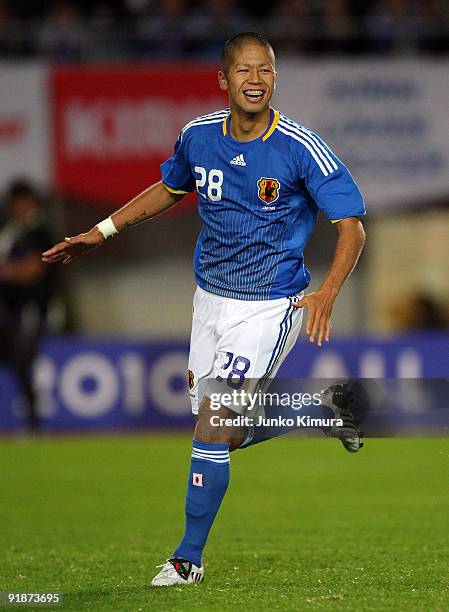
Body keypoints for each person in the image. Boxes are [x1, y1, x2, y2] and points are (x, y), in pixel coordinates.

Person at [42, 32, 366, 586]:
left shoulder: (299, 146)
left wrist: (329, 289)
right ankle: (323, 410)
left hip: (270, 305)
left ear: (275, 78)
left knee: (213, 423)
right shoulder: (197, 138)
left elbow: (352, 227)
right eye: (244, 70)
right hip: (209, 301)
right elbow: (169, 188)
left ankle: (187, 560)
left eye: (265, 69)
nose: (256, 79)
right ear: (223, 80)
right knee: (225, 430)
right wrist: (101, 231)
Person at [0, 180, 54, 432]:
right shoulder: (12, 230)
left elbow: (34, 269)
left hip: (31, 307)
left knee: (22, 361)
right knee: (17, 362)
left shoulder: (39, 231)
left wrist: (8, 271)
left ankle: (34, 423)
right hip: (9, 308)